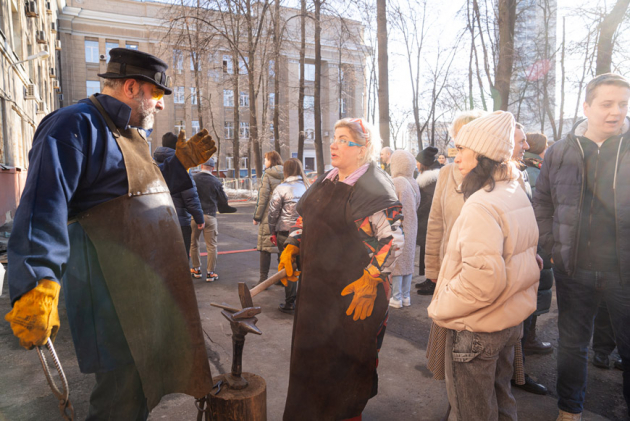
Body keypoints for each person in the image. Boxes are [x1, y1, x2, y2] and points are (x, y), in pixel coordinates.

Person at [5, 48, 216, 418]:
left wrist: (180, 165)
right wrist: (36, 283)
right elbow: (42, 206)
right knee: (120, 402)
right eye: (157, 94)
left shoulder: (130, 134)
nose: (161, 105)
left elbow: (136, 196)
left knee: (140, 395)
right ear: (131, 87)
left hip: (144, 296)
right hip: (111, 303)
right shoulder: (73, 125)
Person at [279, 117, 403, 420]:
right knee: (310, 369)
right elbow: (305, 219)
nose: (333, 144)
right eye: (334, 137)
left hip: (353, 298)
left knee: (344, 375)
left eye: (343, 139)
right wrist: (294, 244)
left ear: (362, 148)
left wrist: (370, 280)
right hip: (315, 298)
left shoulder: (373, 186)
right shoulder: (327, 179)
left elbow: (392, 241)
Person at [428, 111, 540, 421]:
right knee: (502, 402)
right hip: (506, 322)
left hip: (476, 328)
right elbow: (529, 257)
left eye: (462, 149)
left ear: (483, 154)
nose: (456, 157)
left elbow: (483, 280)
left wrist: (442, 304)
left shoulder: (482, 203)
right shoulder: (513, 190)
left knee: (472, 413)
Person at [533, 73, 630, 421]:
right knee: (573, 346)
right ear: (587, 107)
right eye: (607, 104)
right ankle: (569, 409)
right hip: (575, 270)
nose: (616, 111)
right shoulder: (560, 151)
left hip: (625, 272)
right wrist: (552, 246)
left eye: (622, 104)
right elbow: (542, 201)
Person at [421, 110, 486, 297]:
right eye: (458, 135)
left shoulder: (498, 175)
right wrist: (433, 269)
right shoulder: (446, 173)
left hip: (484, 271)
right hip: (450, 267)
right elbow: (435, 222)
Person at [267, 158, 309, 314]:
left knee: (288, 265)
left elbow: (273, 213)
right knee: (304, 266)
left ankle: (290, 302)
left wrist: (272, 231)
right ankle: (305, 302)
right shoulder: (308, 187)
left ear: (286, 170)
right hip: (305, 232)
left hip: (285, 232)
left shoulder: (281, 188)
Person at [153, 132, 205, 258]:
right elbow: (190, 196)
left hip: (156, 220)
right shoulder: (181, 165)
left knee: (161, 258)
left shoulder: (152, 164)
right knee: (181, 258)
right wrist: (199, 218)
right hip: (179, 222)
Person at [190, 158, 236, 282]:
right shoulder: (216, 181)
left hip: (195, 216)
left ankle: (196, 269)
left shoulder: (193, 179)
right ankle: (210, 273)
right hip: (210, 216)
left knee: (194, 243)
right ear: (213, 168)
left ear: (201, 166)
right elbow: (223, 200)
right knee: (211, 246)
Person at [389, 150, 421, 309]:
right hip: (412, 225)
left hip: (398, 226)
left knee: (397, 262)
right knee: (408, 261)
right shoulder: (413, 182)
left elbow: (390, 205)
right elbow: (417, 204)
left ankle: (396, 297)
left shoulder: (396, 182)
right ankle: (406, 296)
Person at [253, 151, 284, 285]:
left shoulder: (267, 174)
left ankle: (263, 280)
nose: (264, 162)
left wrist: (257, 216)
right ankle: (282, 278)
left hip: (269, 216)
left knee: (265, 248)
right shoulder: (287, 173)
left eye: (265, 160)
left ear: (271, 160)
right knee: (281, 248)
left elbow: (263, 197)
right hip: (283, 216)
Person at [414, 146, 442, 282]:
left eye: (418, 161)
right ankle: (428, 278)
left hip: (429, 220)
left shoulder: (431, 180)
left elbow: (430, 201)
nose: (416, 164)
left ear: (424, 163)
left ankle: (431, 280)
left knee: (430, 249)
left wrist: (418, 211)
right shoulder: (428, 178)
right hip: (426, 219)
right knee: (426, 249)